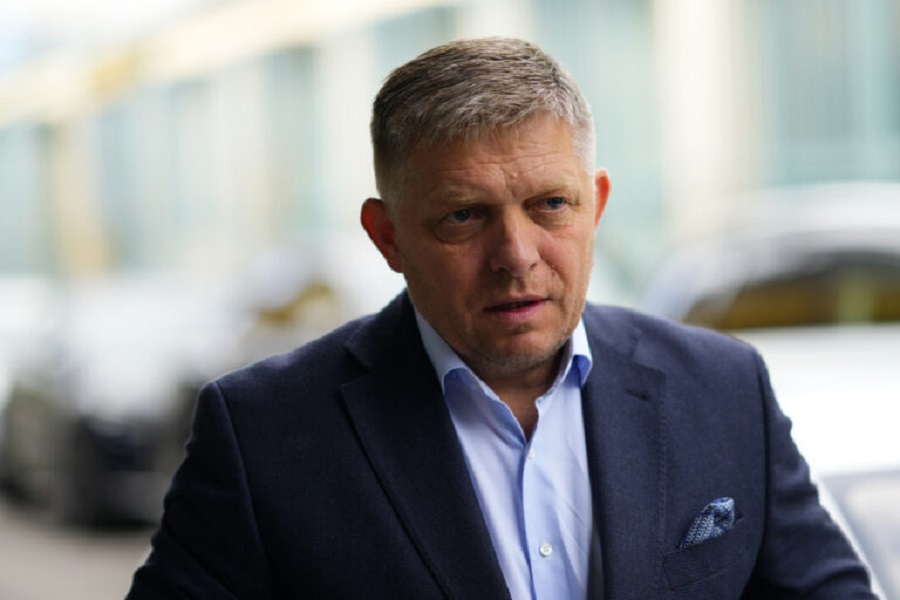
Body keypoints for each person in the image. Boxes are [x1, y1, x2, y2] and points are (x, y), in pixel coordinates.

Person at [126, 37, 876, 599]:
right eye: (463, 215)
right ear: (387, 237)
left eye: (551, 204)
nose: (516, 254)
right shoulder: (262, 436)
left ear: (598, 205)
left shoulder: (721, 389)